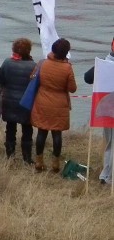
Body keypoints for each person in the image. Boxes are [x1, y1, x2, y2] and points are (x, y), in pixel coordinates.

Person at [31, 38, 77, 174]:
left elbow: (32, 78)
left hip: (42, 101)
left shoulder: (42, 63)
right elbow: (72, 88)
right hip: (59, 103)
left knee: (41, 132)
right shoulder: (67, 68)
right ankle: (55, 164)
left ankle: (39, 161)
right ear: (65, 53)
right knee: (57, 134)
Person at [0, 37, 36, 164]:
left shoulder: (7, 63)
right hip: (26, 103)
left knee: (10, 129)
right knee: (27, 130)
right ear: (28, 50)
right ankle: (27, 158)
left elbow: (1, 80)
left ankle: (10, 156)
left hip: (9, 101)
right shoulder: (33, 66)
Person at [84, 37, 114, 183]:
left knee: (109, 143)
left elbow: (87, 78)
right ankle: (107, 176)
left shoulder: (104, 64)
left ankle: (105, 175)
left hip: (107, 110)